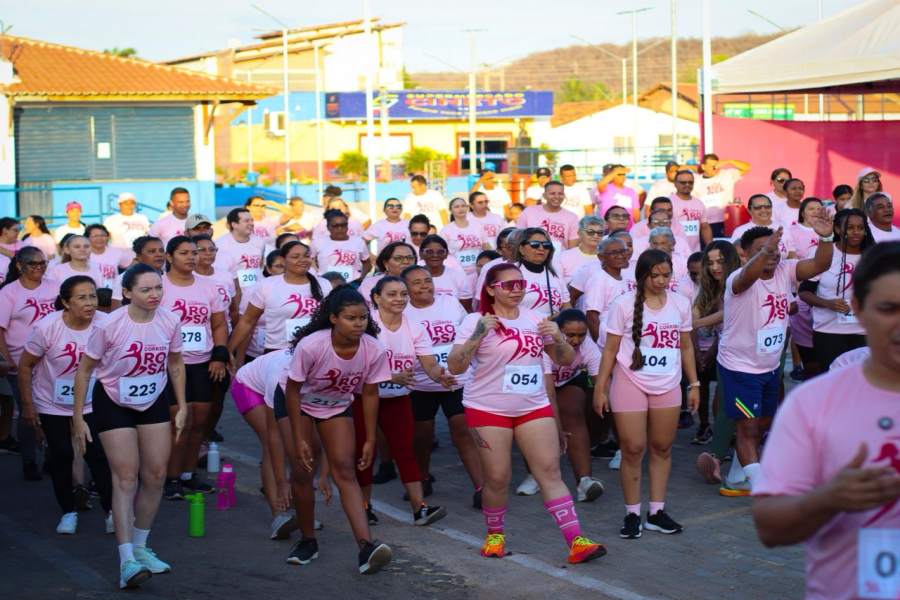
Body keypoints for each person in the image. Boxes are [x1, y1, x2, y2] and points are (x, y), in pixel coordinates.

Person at [751, 241, 900, 600]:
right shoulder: (813, 402)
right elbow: (769, 525)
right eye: (888, 309)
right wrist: (828, 498)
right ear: (859, 310)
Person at [447, 263, 605, 563]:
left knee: (549, 471)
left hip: (533, 406)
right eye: (509, 285)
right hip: (487, 408)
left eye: (521, 284)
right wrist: (478, 335)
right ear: (491, 289)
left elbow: (566, 360)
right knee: (497, 478)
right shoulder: (474, 320)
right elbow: (456, 366)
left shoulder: (536, 319)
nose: (517, 289)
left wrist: (557, 337)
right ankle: (495, 536)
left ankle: (577, 542)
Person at [71, 263, 186, 589]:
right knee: (125, 477)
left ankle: (141, 546)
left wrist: (182, 405)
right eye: (146, 289)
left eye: (158, 288)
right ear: (127, 293)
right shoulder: (109, 326)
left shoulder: (170, 320)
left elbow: (175, 363)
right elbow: (84, 369)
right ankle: (126, 562)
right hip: (113, 401)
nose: (154, 295)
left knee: (156, 475)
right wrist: (78, 416)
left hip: (153, 400)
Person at [716, 216, 834, 497]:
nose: (772, 252)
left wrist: (828, 239)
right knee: (748, 425)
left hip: (769, 366)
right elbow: (748, 277)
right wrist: (766, 251)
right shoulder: (738, 278)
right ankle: (762, 488)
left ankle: (736, 475)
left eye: (774, 247)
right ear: (745, 253)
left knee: (763, 423)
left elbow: (820, 264)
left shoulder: (787, 270)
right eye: (762, 248)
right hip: (740, 368)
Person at [281, 286, 394, 573]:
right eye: (351, 318)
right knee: (303, 469)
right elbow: (293, 391)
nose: (359, 324)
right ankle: (308, 540)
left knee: (345, 470)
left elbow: (369, 394)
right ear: (333, 319)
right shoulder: (312, 345)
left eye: (363, 318)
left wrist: (370, 439)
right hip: (298, 403)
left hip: (335, 405)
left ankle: (366, 547)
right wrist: (299, 438)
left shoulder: (373, 348)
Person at [594, 249, 699, 538]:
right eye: (656, 275)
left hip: (668, 383)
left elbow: (686, 346)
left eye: (666, 275)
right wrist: (600, 389)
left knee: (663, 447)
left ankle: (656, 511)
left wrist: (695, 384)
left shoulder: (680, 303)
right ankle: (632, 513)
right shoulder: (623, 304)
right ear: (642, 276)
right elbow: (610, 351)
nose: (662, 280)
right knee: (632, 448)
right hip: (630, 382)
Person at [17, 276, 114, 534]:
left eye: (93, 296)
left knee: (98, 456)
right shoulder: (46, 327)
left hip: (93, 403)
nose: (90, 302)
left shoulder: (106, 323)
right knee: (62, 455)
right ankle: (68, 511)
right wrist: (28, 406)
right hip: (53, 403)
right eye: (81, 297)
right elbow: (25, 366)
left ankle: (112, 512)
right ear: (65, 302)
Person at [362, 276, 449, 524]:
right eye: (392, 294)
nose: (399, 299)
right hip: (363, 398)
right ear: (377, 298)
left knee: (406, 451)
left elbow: (429, 363)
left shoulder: (415, 326)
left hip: (397, 398)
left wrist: (440, 376)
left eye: (403, 294)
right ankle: (364, 506)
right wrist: (391, 375)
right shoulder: (367, 325)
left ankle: (419, 508)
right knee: (364, 452)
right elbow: (356, 367)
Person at [401, 265, 483, 503]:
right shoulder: (402, 311)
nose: (424, 286)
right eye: (416, 282)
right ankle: (422, 479)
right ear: (405, 288)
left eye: (427, 280)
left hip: (456, 380)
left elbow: (466, 336)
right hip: (421, 384)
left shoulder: (449, 303)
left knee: (463, 431)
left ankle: (481, 488)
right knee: (422, 437)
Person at [158, 237, 229, 500]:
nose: (191, 257)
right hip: (170, 365)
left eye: (194, 253)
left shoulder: (209, 287)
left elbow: (219, 324)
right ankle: (170, 476)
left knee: (200, 420)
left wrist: (219, 355)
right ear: (169, 257)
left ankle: (188, 474)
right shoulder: (160, 286)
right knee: (179, 422)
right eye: (184, 253)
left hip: (202, 362)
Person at [0, 246, 58, 480]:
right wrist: (7, 360)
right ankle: (29, 461)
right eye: (33, 264)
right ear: (19, 266)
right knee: (28, 411)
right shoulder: (8, 293)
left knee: (53, 411)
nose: (39, 268)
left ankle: (51, 459)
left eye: (42, 263)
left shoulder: (54, 287)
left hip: (53, 361)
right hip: (21, 362)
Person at [799, 208, 875, 371]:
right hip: (829, 332)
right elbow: (804, 292)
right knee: (834, 385)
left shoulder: (873, 256)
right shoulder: (824, 253)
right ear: (838, 229)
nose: (856, 232)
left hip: (865, 333)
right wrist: (827, 303)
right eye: (850, 228)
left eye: (860, 228)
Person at [231, 348, 296, 539]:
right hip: (248, 386)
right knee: (272, 444)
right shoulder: (280, 373)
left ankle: (300, 512)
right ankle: (278, 515)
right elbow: (274, 432)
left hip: (275, 383)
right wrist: (283, 481)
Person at [229, 241, 330, 362]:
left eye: (306, 256)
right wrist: (228, 351)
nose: (303, 260)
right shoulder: (267, 285)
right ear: (283, 260)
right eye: (295, 257)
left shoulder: (324, 285)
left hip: (315, 353)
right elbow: (247, 321)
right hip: (278, 354)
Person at [543, 309, 606, 502]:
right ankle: (535, 473)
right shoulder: (545, 345)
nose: (577, 340)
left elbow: (601, 383)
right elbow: (549, 393)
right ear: (557, 331)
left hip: (567, 384)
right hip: (537, 389)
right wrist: (558, 429)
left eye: (581, 335)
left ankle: (584, 481)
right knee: (544, 426)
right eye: (570, 335)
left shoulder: (588, 346)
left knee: (573, 411)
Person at [689, 242, 742, 464]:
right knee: (723, 399)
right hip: (726, 350)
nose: (715, 267)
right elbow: (695, 312)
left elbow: (726, 313)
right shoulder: (709, 287)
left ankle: (732, 446)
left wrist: (694, 322)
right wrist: (691, 321)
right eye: (710, 263)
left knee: (732, 401)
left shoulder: (740, 281)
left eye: (720, 261)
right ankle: (721, 447)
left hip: (743, 350)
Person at [583, 236, 635, 342]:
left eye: (623, 251)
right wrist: (601, 348)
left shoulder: (625, 277)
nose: (621, 255)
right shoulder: (599, 278)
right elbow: (592, 317)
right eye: (614, 252)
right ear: (601, 257)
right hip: (606, 339)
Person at [513, 228, 571, 318]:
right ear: (521, 249)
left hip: (551, 329)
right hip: (521, 329)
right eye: (535, 244)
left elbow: (566, 305)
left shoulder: (555, 273)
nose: (541, 248)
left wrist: (562, 317)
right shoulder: (510, 272)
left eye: (546, 245)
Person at [569, 230, 634, 308]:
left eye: (629, 245)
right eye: (618, 246)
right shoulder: (591, 269)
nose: (626, 249)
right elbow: (571, 297)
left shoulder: (637, 267)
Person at [693, 153, 751, 238]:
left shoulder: (726, 175)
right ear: (703, 167)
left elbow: (747, 167)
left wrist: (729, 161)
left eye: (717, 165)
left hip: (726, 221)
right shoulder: (696, 181)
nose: (715, 168)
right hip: (705, 223)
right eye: (712, 166)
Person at [311, 210, 371, 284]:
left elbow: (367, 263)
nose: (340, 229)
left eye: (343, 225)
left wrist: (361, 277)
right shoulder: (318, 242)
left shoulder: (358, 241)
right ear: (328, 227)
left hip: (352, 284)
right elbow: (309, 260)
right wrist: (316, 274)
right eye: (335, 226)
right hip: (326, 283)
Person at [213, 207, 266, 291]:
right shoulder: (221, 245)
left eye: (252, 220)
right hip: (234, 293)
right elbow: (219, 275)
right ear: (234, 224)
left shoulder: (259, 241)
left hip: (257, 292)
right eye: (246, 221)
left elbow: (261, 264)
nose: (251, 223)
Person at [516, 181, 580, 251]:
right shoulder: (528, 212)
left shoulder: (572, 217)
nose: (557, 197)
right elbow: (518, 238)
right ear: (544, 195)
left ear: (564, 195)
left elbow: (572, 248)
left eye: (560, 193)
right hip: (531, 258)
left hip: (559, 259)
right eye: (552, 193)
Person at [192, 235, 240, 329]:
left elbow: (233, 310)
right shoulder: (187, 276)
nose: (208, 253)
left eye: (212, 249)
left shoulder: (226, 276)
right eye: (202, 250)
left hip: (225, 333)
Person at [418, 235, 473, 311]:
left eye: (440, 252)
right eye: (429, 252)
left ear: (446, 254)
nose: (435, 255)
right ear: (421, 254)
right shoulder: (413, 277)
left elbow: (466, 308)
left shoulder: (458, 276)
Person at [110, 236, 165, 309]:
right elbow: (115, 310)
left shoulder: (170, 276)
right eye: (152, 251)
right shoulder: (124, 278)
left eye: (161, 251)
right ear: (139, 256)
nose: (159, 255)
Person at [440, 197, 488, 275]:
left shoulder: (478, 226)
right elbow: (442, 252)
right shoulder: (446, 230)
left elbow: (486, 247)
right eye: (457, 207)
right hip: (456, 272)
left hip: (478, 271)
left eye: (463, 206)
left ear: (467, 208)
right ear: (450, 210)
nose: (460, 209)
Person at [669, 170, 713, 253]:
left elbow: (705, 227)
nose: (687, 185)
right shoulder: (668, 202)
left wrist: (710, 247)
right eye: (683, 182)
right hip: (674, 251)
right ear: (675, 184)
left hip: (694, 252)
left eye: (690, 182)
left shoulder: (699, 203)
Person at [558, 216, 604, 286]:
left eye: (599, 233)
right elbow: (557, 283)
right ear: (579, 233)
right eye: (590, 232)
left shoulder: (606, 258)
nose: (595, 236)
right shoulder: (564, 256)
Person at [86, 224, 133, 289]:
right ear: (87, 238)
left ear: (108, 237)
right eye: (95, 236)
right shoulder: (83, 254)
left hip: (113, 292)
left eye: (103, 235)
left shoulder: (116, 253)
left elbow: (131, 265)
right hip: (90, 292)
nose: (100, 238)